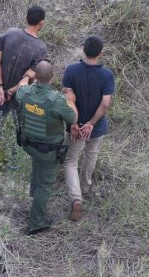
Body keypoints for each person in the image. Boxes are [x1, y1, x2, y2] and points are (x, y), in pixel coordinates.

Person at [0, 5, 48, 163]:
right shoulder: (40, 48)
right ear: (42, 23)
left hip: (0, 87)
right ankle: (16, 158)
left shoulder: (9, 33)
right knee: (21, 124)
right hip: (20, 93)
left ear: (26, 18)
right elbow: (30, 75)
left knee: (0, 110)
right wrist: (11, 91)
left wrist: (0, 87)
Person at [16, 60, 76, 235]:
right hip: (47, 150)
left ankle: (34, 197)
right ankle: (36, 223)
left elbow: (21, 85)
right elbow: (72, 118)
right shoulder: (57, 100)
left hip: (29, 144)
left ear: (36, 76)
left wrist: (27, 76)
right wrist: (70, 100)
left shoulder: (25, 93)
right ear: (52, 78)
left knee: (37, 166)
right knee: (45, 185)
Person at [62, 35, 115, 221]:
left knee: (70, 161)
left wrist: (75, 124)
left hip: (74, 128)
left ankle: (76, 198)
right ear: (100, 53)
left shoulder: (71, 71)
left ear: (83, 49)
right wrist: (91, 124)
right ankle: (84, 188)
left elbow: (69, 100)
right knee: (91, 155)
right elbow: (106, 103)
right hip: (96, 127)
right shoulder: (107, 75)